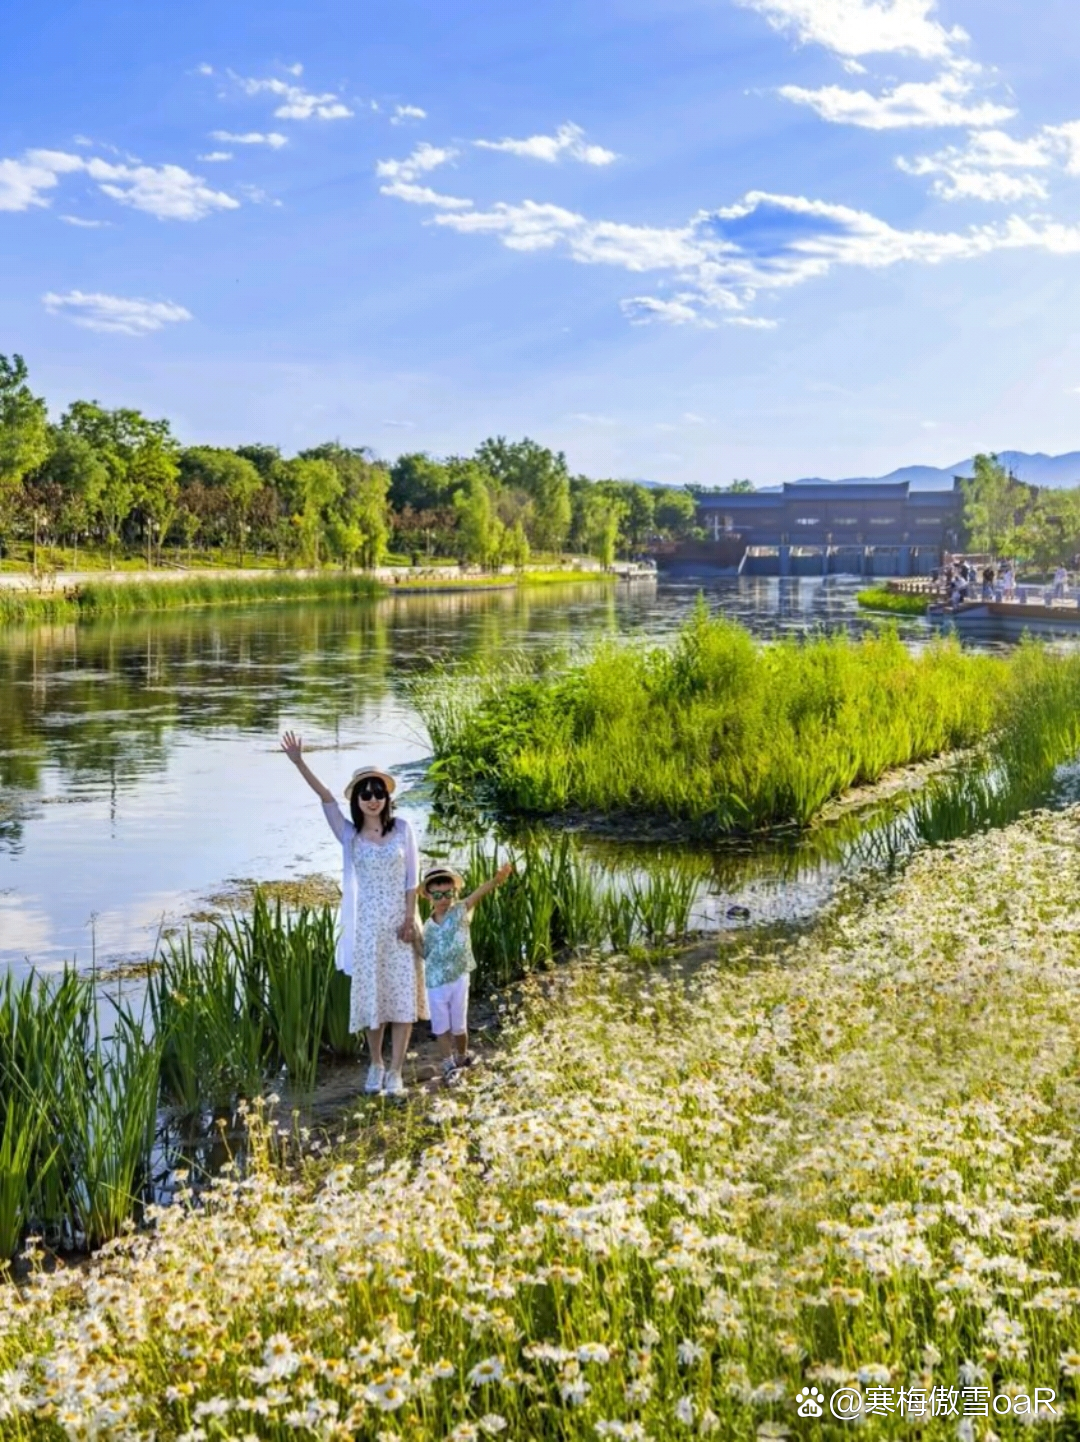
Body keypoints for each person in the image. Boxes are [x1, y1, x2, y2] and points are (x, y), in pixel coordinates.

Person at [280, 731, 427, 1097]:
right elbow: (326, 799)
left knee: (402, 999)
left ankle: (396, 1072)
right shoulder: (351, 836)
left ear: (386, 797)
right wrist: (300, 762)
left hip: (401, 924)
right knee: (373, 999)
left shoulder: (403, 829)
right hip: (367, 927)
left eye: (379, 792)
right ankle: (375, 1063)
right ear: (358, 800)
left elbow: (413, 880)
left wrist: (410, 919)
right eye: (366, 793)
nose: (373, 799)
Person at [421, 861, 513, 1082]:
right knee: (441, 1026)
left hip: (459, 977)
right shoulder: (427, 925)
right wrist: (412, 940)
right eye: (437, 895)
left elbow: (478, 893)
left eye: (448, 894)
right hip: (435, 982)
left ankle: (462, 1055)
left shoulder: (461, 911)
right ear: (428, 896)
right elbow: (425, 953)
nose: (443, 900)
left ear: (455, 893)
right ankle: (448, 1063)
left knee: (459, 1025)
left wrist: (496, 880)